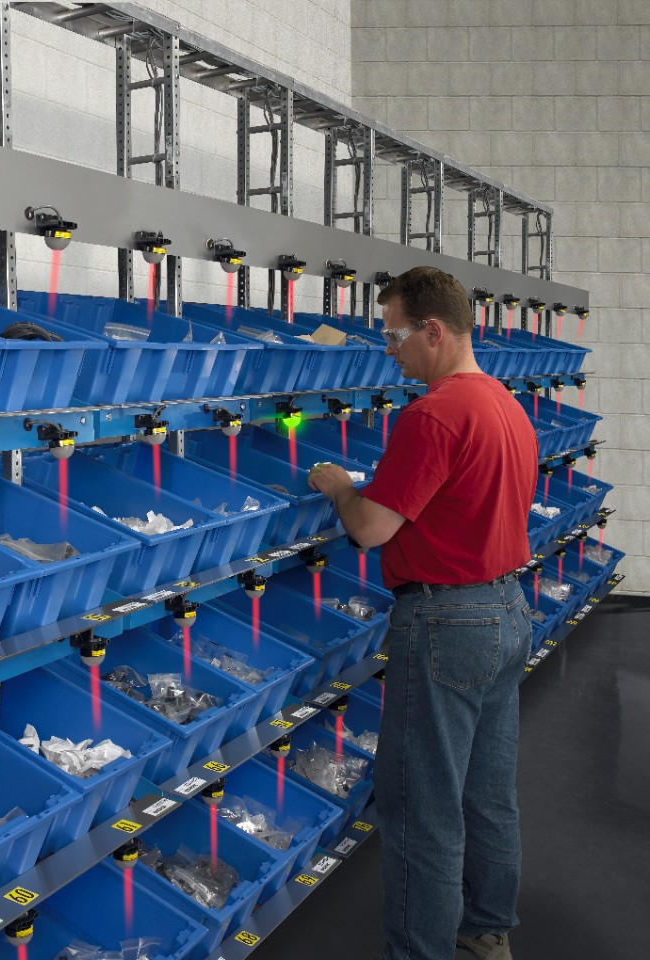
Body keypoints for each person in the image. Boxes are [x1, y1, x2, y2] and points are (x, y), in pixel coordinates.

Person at [307, 266, 537, 960]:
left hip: (446, 623)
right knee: (487, 793)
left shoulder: (434, 413)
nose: (390, 350)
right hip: (505, 608)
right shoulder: (503, 402)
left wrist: (343, 487)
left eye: (395, 334)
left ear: (433, 331)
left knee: (423, 808)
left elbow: (373, 528)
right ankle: (489, 929)